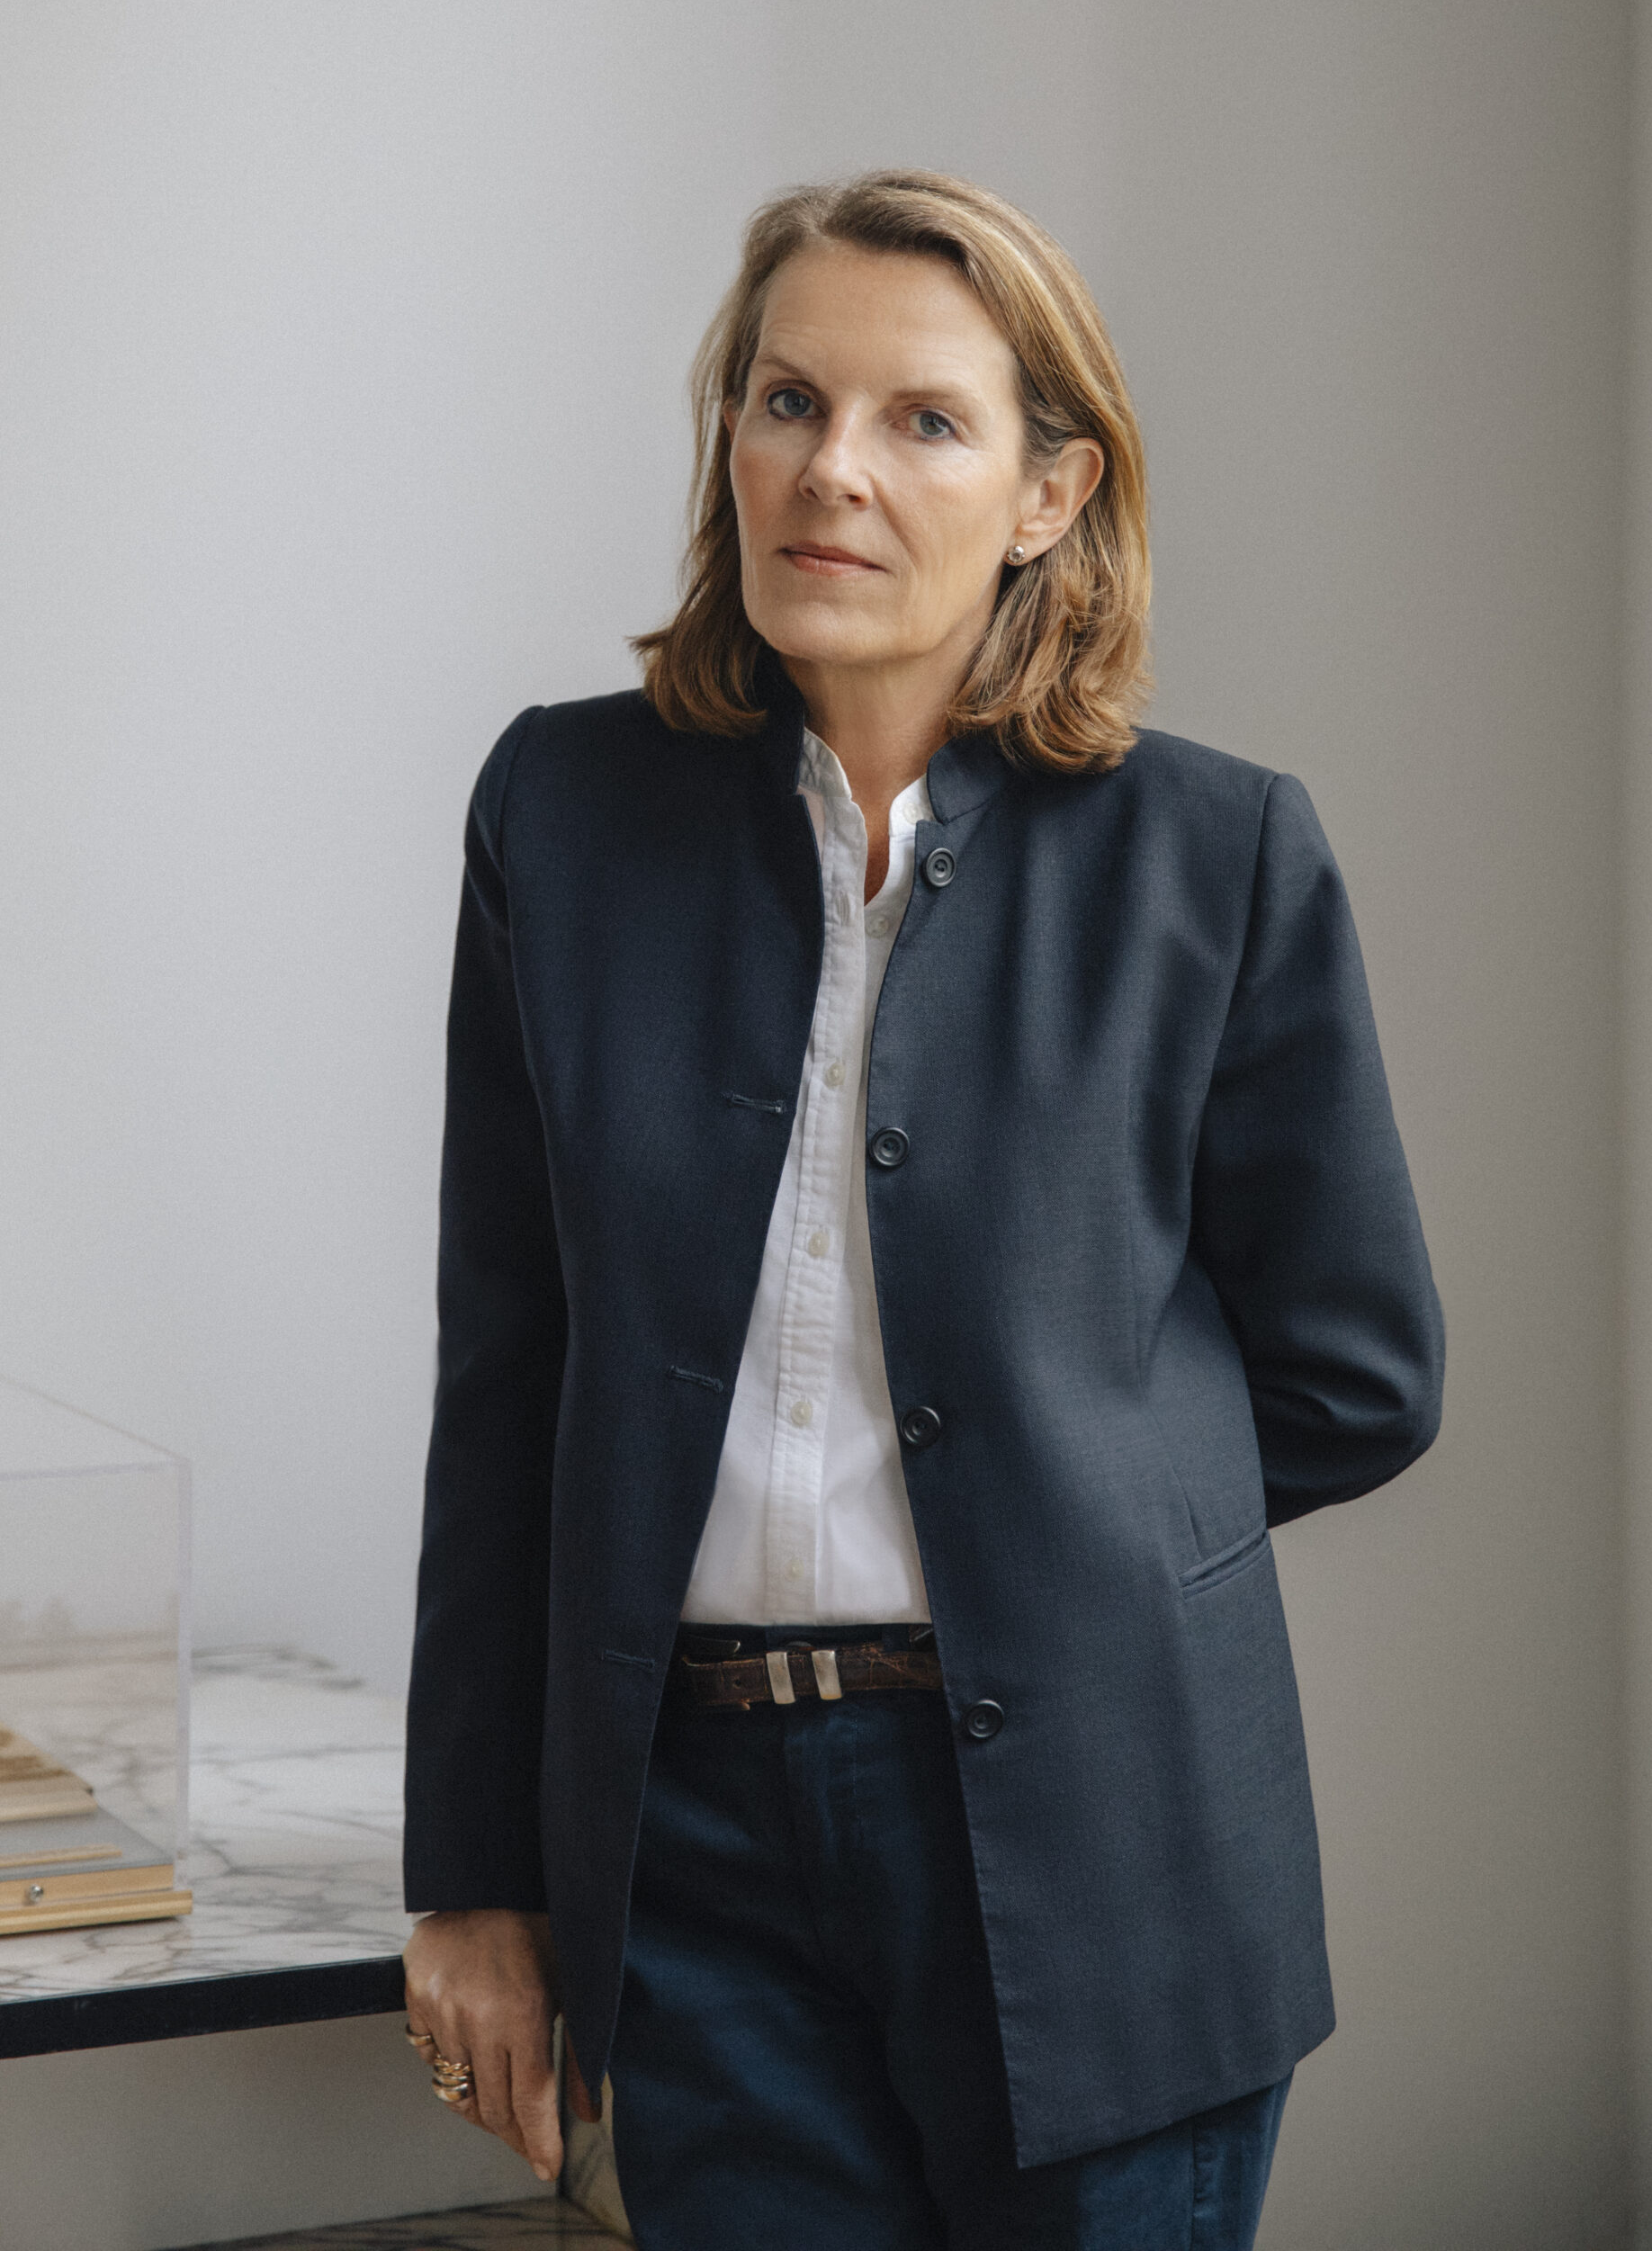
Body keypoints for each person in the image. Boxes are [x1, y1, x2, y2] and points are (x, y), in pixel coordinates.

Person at [400, 168, 1443, 2251]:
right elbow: (510, 1368)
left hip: (1106, 1847)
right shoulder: (564, 814)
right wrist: (475, 1868)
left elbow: (1359, 1372)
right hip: (688, 1852)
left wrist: (1052, 1528)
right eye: (787, 400)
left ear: (1052, 492)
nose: (831, 471)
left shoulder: (1216, 854)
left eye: (924, 422)